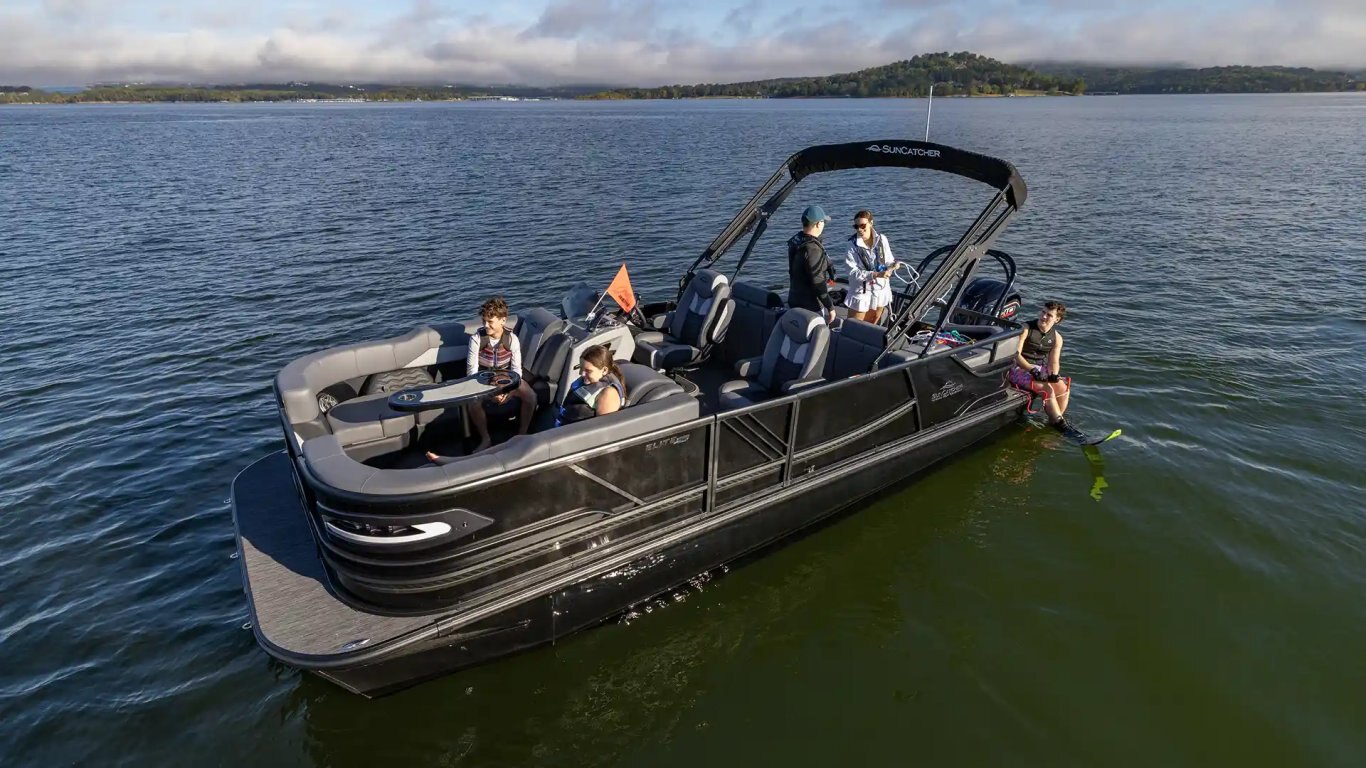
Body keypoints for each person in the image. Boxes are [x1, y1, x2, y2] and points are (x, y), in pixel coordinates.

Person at [427, 296, 536, 460]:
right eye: (484, 321)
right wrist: (490, 392)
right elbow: (472, 372)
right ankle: (486, 439)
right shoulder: (476, 339)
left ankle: (522, 433)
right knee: (473, 402)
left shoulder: (512, 339)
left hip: (507, 378)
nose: (486, 325)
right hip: (483, 379)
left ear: (502, 320)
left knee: (531, 396)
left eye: (490, 322)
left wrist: (509, 391)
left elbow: (516, 370)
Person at [1009, 301, 1072, 430]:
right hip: (1018, 368)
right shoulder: (1026, 329)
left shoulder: (1057, 338)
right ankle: (1060, 425)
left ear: (1057, 319)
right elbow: (1016, 354)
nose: (1044, 316)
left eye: (1049, 315)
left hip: (1038, 369)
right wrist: (1031, 369)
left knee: (1063, 387)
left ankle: (1055, 420)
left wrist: (1054, 375)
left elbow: (1054, 362)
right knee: (1046, 389)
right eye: (1043, 312)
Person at [844, 209, 900, 325]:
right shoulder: (851, 245)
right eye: (856, 226)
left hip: (880, 290)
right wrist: (876, 274)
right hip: (862, 292)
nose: (859, 229)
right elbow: (852, 273)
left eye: (862, 225)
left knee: (872, 324)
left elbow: (888, 261)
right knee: (854, 327)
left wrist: (893, 265)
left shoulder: (882, 239)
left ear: (871, 223)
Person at [787, 204, 837, 323]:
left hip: (794, 299)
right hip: (811, 306)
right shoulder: (813, 249)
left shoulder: (797, 241)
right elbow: (817, 282)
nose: (824, 225)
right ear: (818, 224)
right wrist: (830, 307)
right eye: (823, 222)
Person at [555, 345, 628, 426]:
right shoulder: (586, 381)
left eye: (588, 371)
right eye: (581, 368)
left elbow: (603, 428)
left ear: (604, 370)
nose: (582, 374)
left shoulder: (609, 394)